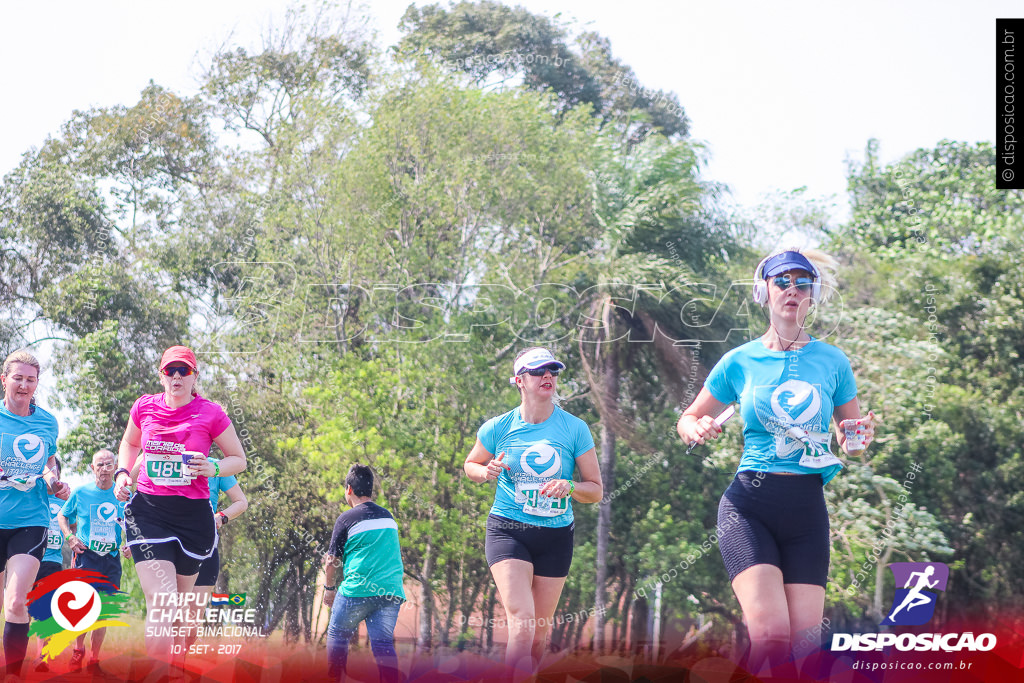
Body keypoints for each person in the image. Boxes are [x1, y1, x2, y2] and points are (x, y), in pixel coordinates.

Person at [676, 249, 876, 675]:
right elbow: (689, 417)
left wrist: (859, 436)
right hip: (749, 505)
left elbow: (850, 439)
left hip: (806, 508)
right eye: (781, 281)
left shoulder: (833, 361)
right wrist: (694, 428)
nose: (791, 289)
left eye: (802, 282)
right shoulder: (739, 361)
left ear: (812, 296)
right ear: (762, 292)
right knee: (770, 634)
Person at [463, 347, 603, 676]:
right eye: (540, 371)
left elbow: (595, 490)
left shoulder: (575, 428)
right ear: (519, 381)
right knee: (523, 624)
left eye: (553, 371)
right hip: (508, 529)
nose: (548, 377)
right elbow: (471, 464)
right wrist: (486, 472)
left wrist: (569, 487)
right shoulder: (498, 427)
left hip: (555, 536)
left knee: (539, 634)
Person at [112, 345, 246, 669]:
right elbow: (130, 443)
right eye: (169, 370)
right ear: (161, 375)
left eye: (183, 370)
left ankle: (176, 669)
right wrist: (121, 475)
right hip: (148, 513)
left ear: (194, 376)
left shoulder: (211, 413)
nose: (175, 376)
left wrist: (212, 467)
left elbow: (238, 460)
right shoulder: (144, 407)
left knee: (182, 616)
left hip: (193, 520)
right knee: (162, 604)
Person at [0, 350, 69, 681]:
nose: (24, 385)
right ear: (4, 380)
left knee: (14, 603)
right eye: (18, 378)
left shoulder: (47, 422)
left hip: (31, 520)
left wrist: (54, 482)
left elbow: (49, 462)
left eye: (30, 379)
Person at [323, 464, 405, 683]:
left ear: (349, 489)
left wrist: (329, 590)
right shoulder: (388, 517)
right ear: (370, 490)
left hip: (357, 591)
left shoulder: (347, 518)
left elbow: (331, 561)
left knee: (337, 636)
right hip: (390, 593)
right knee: (383, 646)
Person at [57, 448, 126, 675]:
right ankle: (78, 650)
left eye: (108, 465)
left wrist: (132, 545)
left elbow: (136, 524)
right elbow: (63, 515)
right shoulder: (81, 492)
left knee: (103, 611)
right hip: (86, 556)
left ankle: (95, 658)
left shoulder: (124, 496)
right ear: (92, 468)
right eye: (99, 465)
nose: (104, 469)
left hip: (112, 558)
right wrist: (69, 536)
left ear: (115, 468)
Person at [186, 457, 247, 649]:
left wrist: (221, 516)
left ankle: (179, 661)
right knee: (172, 611)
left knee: (192, 622)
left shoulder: (216, 466)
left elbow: (241, 501)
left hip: (206, 545)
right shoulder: (169, 460)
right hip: (172, 545)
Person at [30, 457, 69, 675]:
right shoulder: (32, 497)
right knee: (22, 607)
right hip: (28, 556)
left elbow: (73, 523)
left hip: (52, 561)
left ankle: (40, 656)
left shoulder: (65, 502)